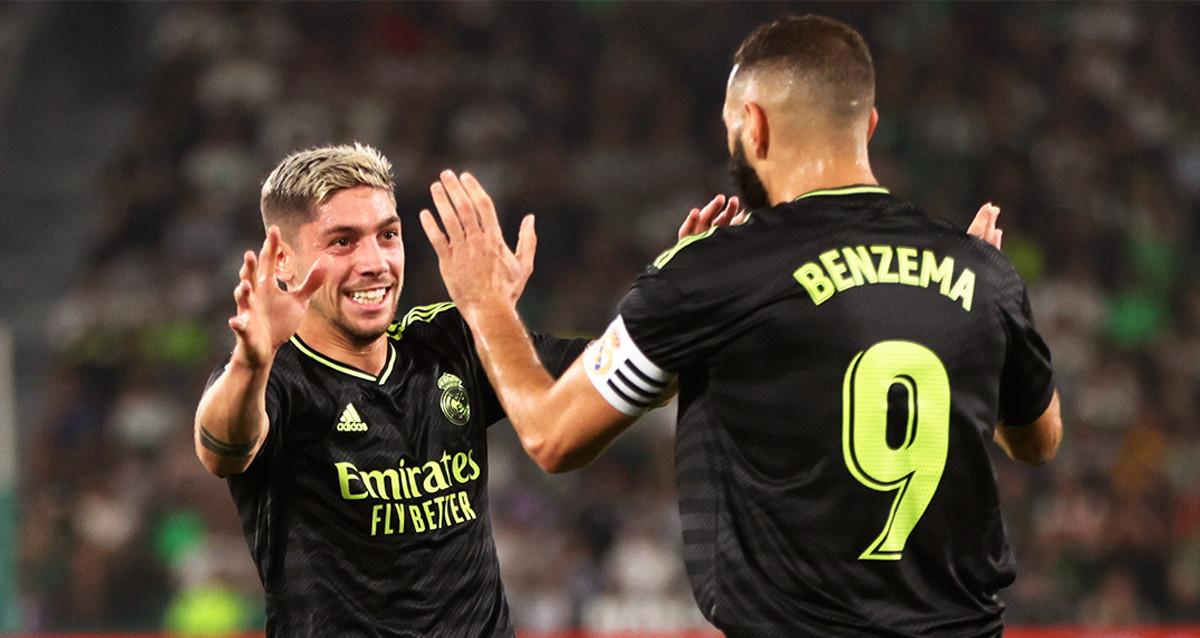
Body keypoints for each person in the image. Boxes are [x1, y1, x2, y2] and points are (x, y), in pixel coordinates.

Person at [420, 14, 1060, 638]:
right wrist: (967, 325)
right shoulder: (984, 272)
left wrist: (485, 303)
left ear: (752, 126)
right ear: (866, 123)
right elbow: (1037, 441)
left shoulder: (712, 273)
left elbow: (552, 436)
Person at [192, 143, 611, 636]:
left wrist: (670, 319)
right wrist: (250, 362)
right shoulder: (278, 377)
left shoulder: (449, 342)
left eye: (388, 235)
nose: (375, 262)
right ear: (283, 259)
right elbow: (223, 450)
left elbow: (612, 374)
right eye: (343, 242)